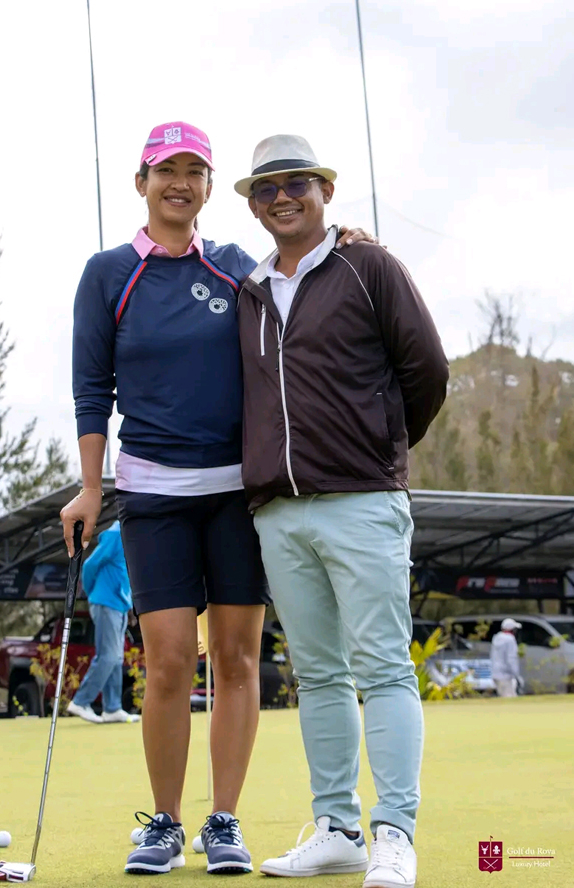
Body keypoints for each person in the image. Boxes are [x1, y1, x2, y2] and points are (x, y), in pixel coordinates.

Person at [59, 121, 371, 877]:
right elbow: (90, 390)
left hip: (239, 496)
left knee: (235, 660)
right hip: (153, 498)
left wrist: (346, 243)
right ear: (141, 183)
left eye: (195, 170)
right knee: (166, 663)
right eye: (166, 169)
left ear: (207, 185)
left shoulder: (238, 267)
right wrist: (91, 486)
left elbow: (304, 277)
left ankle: (222, 820)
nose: (180, 182)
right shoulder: (107, 274)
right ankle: (164, 822)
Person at [234, 134, 449, 888]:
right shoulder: (248, 289)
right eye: (265, 189)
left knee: (383, 668)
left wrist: (377, 447)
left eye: (296, 183)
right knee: (318, 678)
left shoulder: (369, 267)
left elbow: (425, 368)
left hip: (362, 501)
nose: (281, 197)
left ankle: (395, 832)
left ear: (324, 190)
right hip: (280, 514)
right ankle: (338, 829)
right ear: (253, 204)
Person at [67, 520, 140, 724]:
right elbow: (90, 565)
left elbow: (123, 576)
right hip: (105, 601)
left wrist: (129, 606)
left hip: (118, 604)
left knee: (116, 657)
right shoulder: (117, 534)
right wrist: (93, 593)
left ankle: (112, 708)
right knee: (108, 656)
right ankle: (80, 702)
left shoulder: (132, 536)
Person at [490, 618, 523, 697]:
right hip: (505, 675)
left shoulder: (496, 638)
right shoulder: (510, 640)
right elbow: (511, 659)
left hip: (496, 673)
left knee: (503, 695)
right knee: (509, 697)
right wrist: (517, 675)